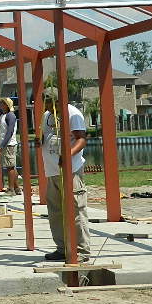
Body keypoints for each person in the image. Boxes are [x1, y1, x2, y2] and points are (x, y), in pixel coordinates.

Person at [40, 87, 91, 263]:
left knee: (75, 209)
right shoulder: (47, 115)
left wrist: (68, 155)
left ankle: (81, 250)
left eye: (47, 101)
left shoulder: (72, 113)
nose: (44, 105)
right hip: (52, 171)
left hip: (71, 170)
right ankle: (62, 248)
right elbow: (45, 135)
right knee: (55, 211)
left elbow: (81, 138)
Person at [0, 97, 20, 194]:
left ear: (7, 105)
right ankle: (17, 188)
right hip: (6, 144)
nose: (1, 105)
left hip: (9, 144)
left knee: (10, 166)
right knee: (11, 166)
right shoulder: (3, 115)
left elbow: (10, 132)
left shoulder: (10, 116)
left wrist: (2, 144)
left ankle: (11, 189)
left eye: (2, 104)